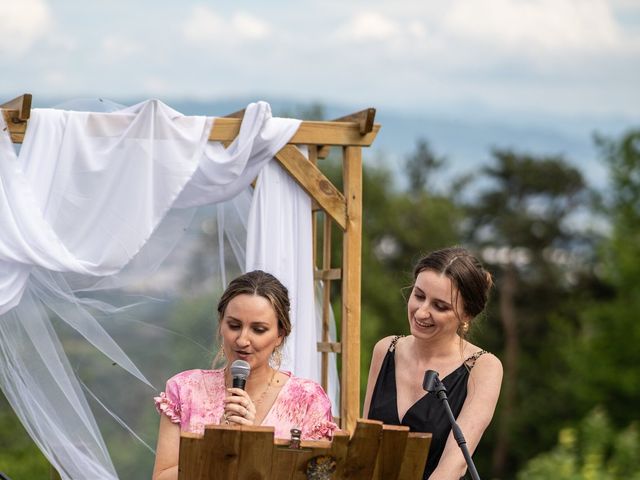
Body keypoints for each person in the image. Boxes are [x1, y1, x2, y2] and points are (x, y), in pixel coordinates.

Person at [152, 270, 337, 480]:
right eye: (234, 325)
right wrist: (215, 446)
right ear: (221, 324)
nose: (242, 340)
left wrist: (252, 446)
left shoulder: (307, 400)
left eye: (258, 329)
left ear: (280, 334)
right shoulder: (185, 389)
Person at [363, 247, 503, 480]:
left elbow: (454, 465)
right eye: (419, 296)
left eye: (440, 306)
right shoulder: (386, 349)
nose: (422, 312)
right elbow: (366, 446)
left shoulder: (484, 367)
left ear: (466, 315)